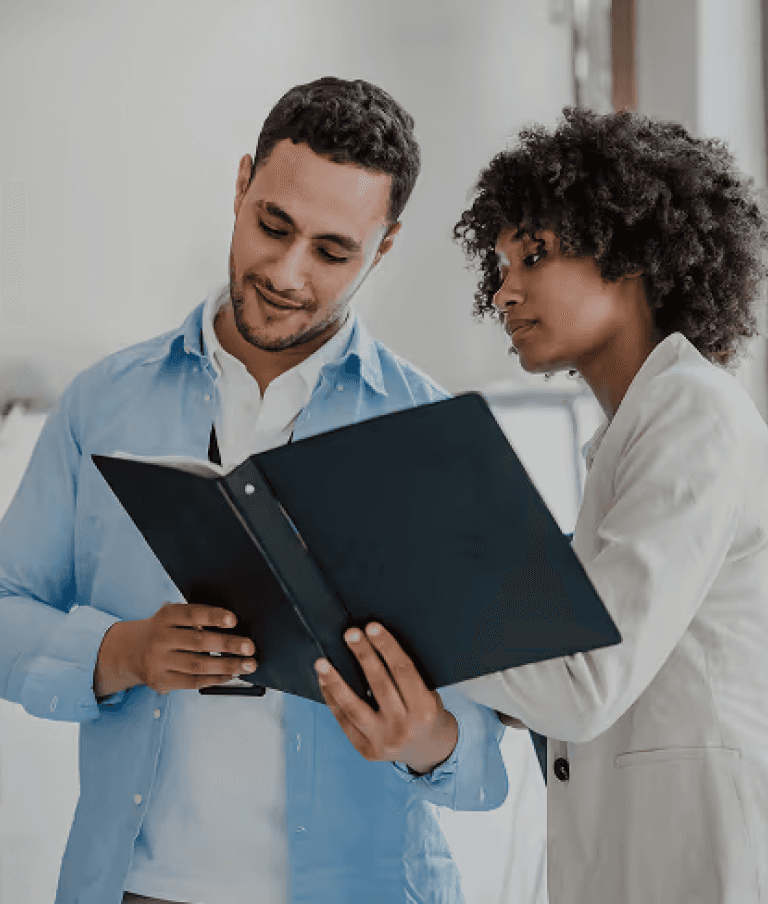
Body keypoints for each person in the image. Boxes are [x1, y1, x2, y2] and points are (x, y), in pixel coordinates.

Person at [0, 77, 507, 904]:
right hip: (131, 888)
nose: (286, 272)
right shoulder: (102, 404)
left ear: (383, 248)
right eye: (273, 225)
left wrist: (428, 738)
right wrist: (125, 651)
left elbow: (490, 744)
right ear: (241, 185)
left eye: (333, 252)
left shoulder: (432, 435)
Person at [452, 106, 768, 904]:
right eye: (500, 265)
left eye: (534, 255)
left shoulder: (694, 411)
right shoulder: (636, 431)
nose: (505, 290)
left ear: (628, 254)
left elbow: (582, 683)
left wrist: (415, 601)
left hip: (696, 860)